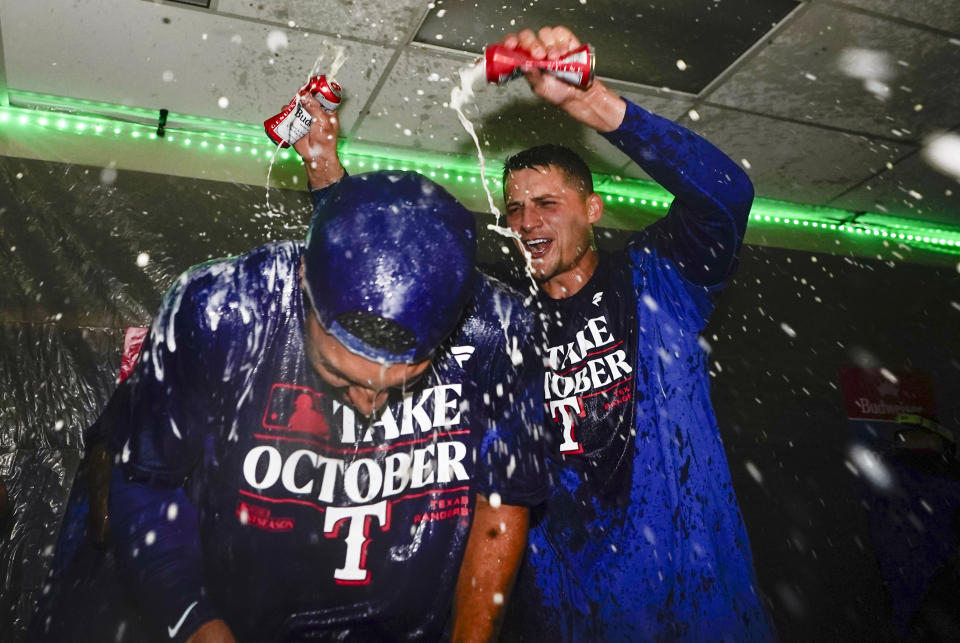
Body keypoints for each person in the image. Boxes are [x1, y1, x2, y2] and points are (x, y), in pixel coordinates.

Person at [33, 92, 548, 643]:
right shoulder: (223, 309)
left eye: (399, 382)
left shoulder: (500, 327)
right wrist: (198, 628)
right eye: (342, 375)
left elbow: (503, 500)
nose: (368, 405)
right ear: (303, 285)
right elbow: (144, 484)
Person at [496, 27, 775, 641]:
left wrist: (590, 104)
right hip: (572, 609)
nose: (527, 221)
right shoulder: (506, 322)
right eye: (514, 209)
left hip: (695, 599)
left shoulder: (657, 278)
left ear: (592, 209)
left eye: (546, 203)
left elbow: (728, 193)